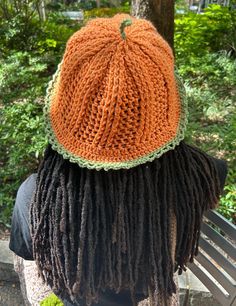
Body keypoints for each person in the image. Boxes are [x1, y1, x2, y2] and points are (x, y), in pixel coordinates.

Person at [9, 13, 227, 306]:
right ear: (165, 101)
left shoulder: (34, 197)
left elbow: (29, 259)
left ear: (66, 108)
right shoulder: (203, 176)